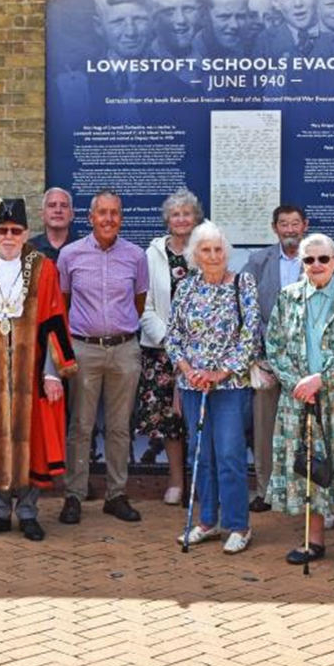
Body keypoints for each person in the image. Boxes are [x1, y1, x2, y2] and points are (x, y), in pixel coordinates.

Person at [0, 198, 78, 540]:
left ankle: (29, 512)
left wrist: (53, 373)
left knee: (31, 438)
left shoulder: (44, 268)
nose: (8, 236)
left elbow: (55, 321)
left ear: (26, 233)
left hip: (31, 372)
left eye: (15, 231)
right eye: (2, 230)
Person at [264, 233, 334, 570]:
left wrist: (322, 379)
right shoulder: (288, 296)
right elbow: (275, 344)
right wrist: (298, 382)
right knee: (308, 466)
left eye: (323, 259)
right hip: (299, 398)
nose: (316, 266)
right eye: (309, 260)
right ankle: (314, 540)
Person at [166, 222, 261, 553]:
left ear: (227, 252)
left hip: (229, 386)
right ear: (195, 254)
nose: (213, 255)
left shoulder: (242, 284)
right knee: (200, 454)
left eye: (218, 249)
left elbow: (251, 335)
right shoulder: (187, 288)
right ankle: (207, 520)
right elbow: (173, 334)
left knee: (230, 454)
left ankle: (238, 525)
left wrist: (220, 372)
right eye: (205, 250)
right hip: (193, 386)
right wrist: (189, 370)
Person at [58, 190, 148, 524]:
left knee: (119, 427)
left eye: (114, 213)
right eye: (102, 213)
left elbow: (139, 302)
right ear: (90, 217)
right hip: (83, 348)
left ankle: (116, 494)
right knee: (80, 426)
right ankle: (74, 495)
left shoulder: (136, 256)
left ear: (121, 218)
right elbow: (63, 302)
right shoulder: (70, 255)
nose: (108, 219)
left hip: (124, 349)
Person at [241, 204, 309, 513]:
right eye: (284, 224)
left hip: (307, 363)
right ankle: (265, 489)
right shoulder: (258, 261)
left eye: (295, 224)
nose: (291, 229)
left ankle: (300, 489)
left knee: (303, 428)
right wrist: (259, 352)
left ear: (304, 226)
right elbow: (245, 309)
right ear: (275, 228)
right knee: (265, 425)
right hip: (268, 359)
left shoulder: (317, 259)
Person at [137, 189, 200, 506]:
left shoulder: (206, 249)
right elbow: (144, 305)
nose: (181, 219)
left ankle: (201, 481)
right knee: (171, 421)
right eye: (176, 214)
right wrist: (171, 344)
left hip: (203, 354)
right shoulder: (152, 254)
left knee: (200, 418)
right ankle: (176, 481)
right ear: (167, 219)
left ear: (196, 217)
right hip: (162, 351)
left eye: (187, 213)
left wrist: (193, 347)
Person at [29, 188, 74, 262]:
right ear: (42, 214)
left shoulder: (83, 249)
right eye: (52, 205)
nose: (58, 210)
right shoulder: (28, 250)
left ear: (72, 214)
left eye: (64, 205)